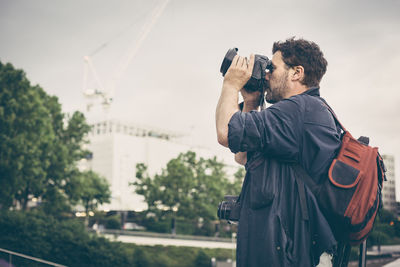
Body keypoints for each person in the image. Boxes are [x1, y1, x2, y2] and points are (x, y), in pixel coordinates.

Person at [215, 37, 341, 266]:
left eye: (272, 67)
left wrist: (230, 85)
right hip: (289, 250)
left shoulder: (297, 110)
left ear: (296, 73)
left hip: (289, 254)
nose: (266, 74)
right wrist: (251, 102)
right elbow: (242, 155)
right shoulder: (306, 112)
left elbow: (225, 132)